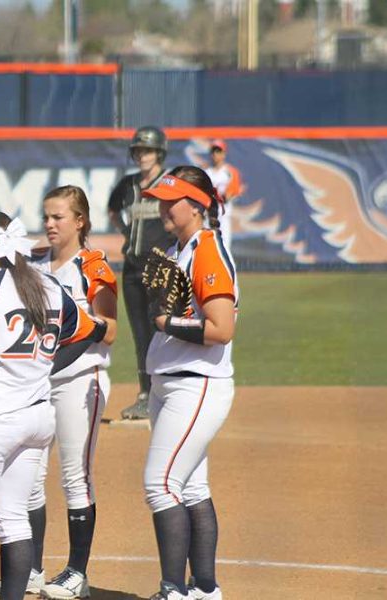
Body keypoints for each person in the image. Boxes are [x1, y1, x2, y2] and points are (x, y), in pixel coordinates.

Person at [0, 211, 109, 600]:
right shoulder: (48, 285)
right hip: (36, 416)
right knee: (14, 520)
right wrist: (46, 367)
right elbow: (87, 332)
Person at [12, 186, 119, 599]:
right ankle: (33, 570)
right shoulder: (34, 262)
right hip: (39, 381)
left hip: (81, 379)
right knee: (31, 477)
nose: (50, 224)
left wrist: (81, 326)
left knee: (75, 475)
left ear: (80, 221)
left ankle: (77, 573)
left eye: (59, 217)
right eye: (46, 217)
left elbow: (110, 329)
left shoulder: (93, 266)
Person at [140, 167, 237, 600]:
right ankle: (205, 589)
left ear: (197, 206)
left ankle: (172, 590)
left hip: (196, 385)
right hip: (171, 383)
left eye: (171, 200)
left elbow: (221, 329)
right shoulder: (180, 249)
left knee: (161, 485)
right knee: (192, 487)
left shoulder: (208, 252)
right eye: (160, 199)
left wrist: (169, 323)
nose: (163, 206)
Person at [108, 126, 175, 421]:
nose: (142, 155)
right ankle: (145, 395)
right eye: (138, 151)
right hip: (133, 267)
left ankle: (168, 393)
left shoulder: (170, 183)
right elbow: (113, 210)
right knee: (140, 334)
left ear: (159, 152)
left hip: (160, 267)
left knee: (163, 329)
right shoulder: (128, 184)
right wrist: (125, 233)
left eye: (147, 150)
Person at [203, 139, 244, 251]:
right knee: (208, 246)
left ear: (224, 154)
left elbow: (233, 193)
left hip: (223, 214)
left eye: (219, 151)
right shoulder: (206, 172)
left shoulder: (230, 172)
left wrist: (226, 195)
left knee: (224, 247)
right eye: (213, 151)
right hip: (208, 215)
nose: (216, 154)